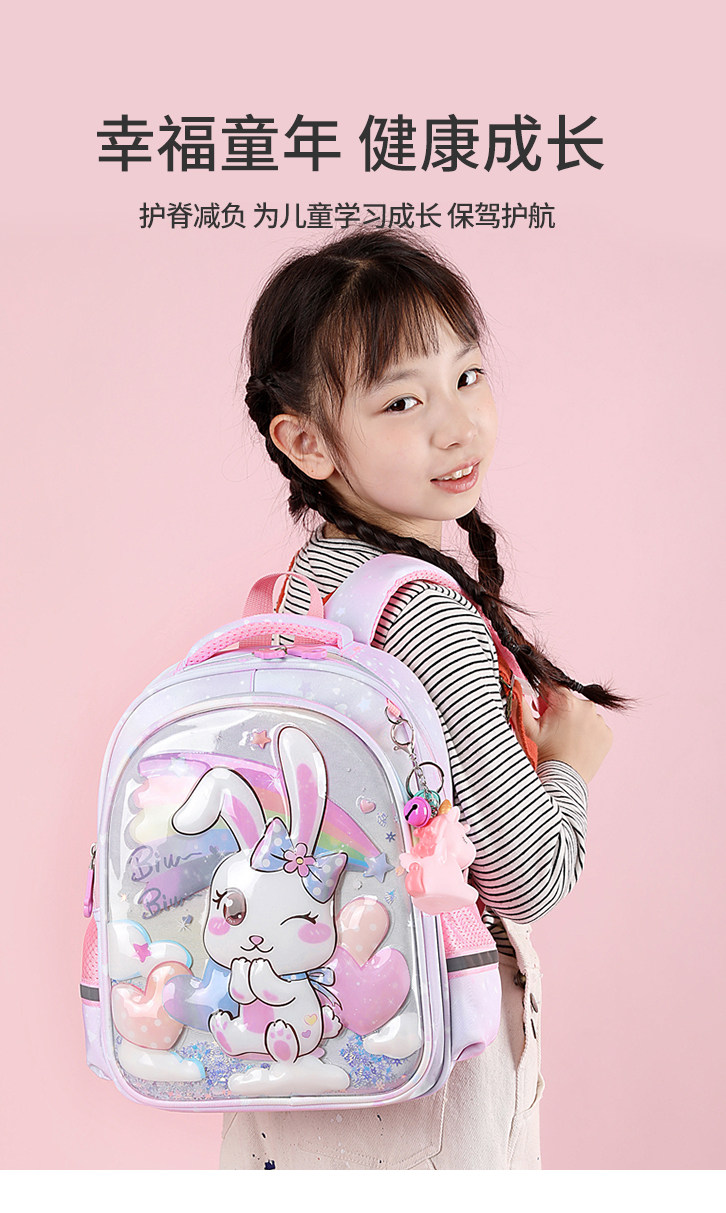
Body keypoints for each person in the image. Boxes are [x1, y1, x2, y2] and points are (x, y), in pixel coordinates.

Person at [219, 228, 620, 1170]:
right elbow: (531, 875)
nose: (457, 425)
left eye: (468, 377)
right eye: (404, 400)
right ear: (306, 441)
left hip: (291, 1045)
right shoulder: (422, 613)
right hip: (427, 1079)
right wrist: (571, 763)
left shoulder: (297, 593)